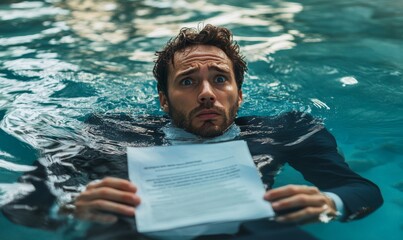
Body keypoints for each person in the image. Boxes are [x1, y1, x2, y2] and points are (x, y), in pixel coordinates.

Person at [2, 24, 383, 239]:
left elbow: (361, 191)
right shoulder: (108, 132)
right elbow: (21, 201)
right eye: (187, 82)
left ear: (239, 93)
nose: (206, 93)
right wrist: (70, 205)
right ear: (164, 101)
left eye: (220, 79)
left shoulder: (286, 130)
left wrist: (329, 203)